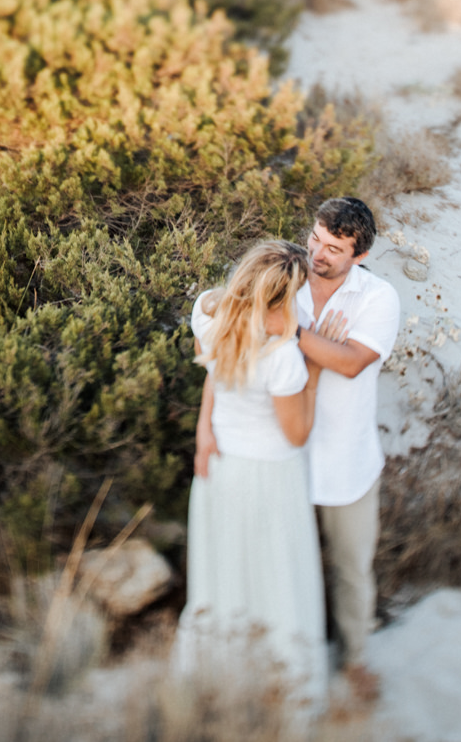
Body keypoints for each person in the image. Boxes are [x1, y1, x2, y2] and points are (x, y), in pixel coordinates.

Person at [177, 239, 331, 706]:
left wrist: (204, 427)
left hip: (220, 471)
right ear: (283, 297)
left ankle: (215, 679)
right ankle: (282, 687)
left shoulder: (209, 311)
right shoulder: (283, 357)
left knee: (222, 573)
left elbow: (214, 373)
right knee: (277, 577)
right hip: (269, 477)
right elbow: (297, 433)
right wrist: (316, 371)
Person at [294, 195, 401, 700]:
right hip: (283, 448)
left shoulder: (377, 298)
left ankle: (355, 657)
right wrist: (318, 342)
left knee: (351, 567)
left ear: (358, 255)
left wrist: (290, 332)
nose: (318, 253)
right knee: (287, 562)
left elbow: (353, 362)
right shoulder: (284, 277)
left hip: (346, 459)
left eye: (334, 249)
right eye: (315, 239)